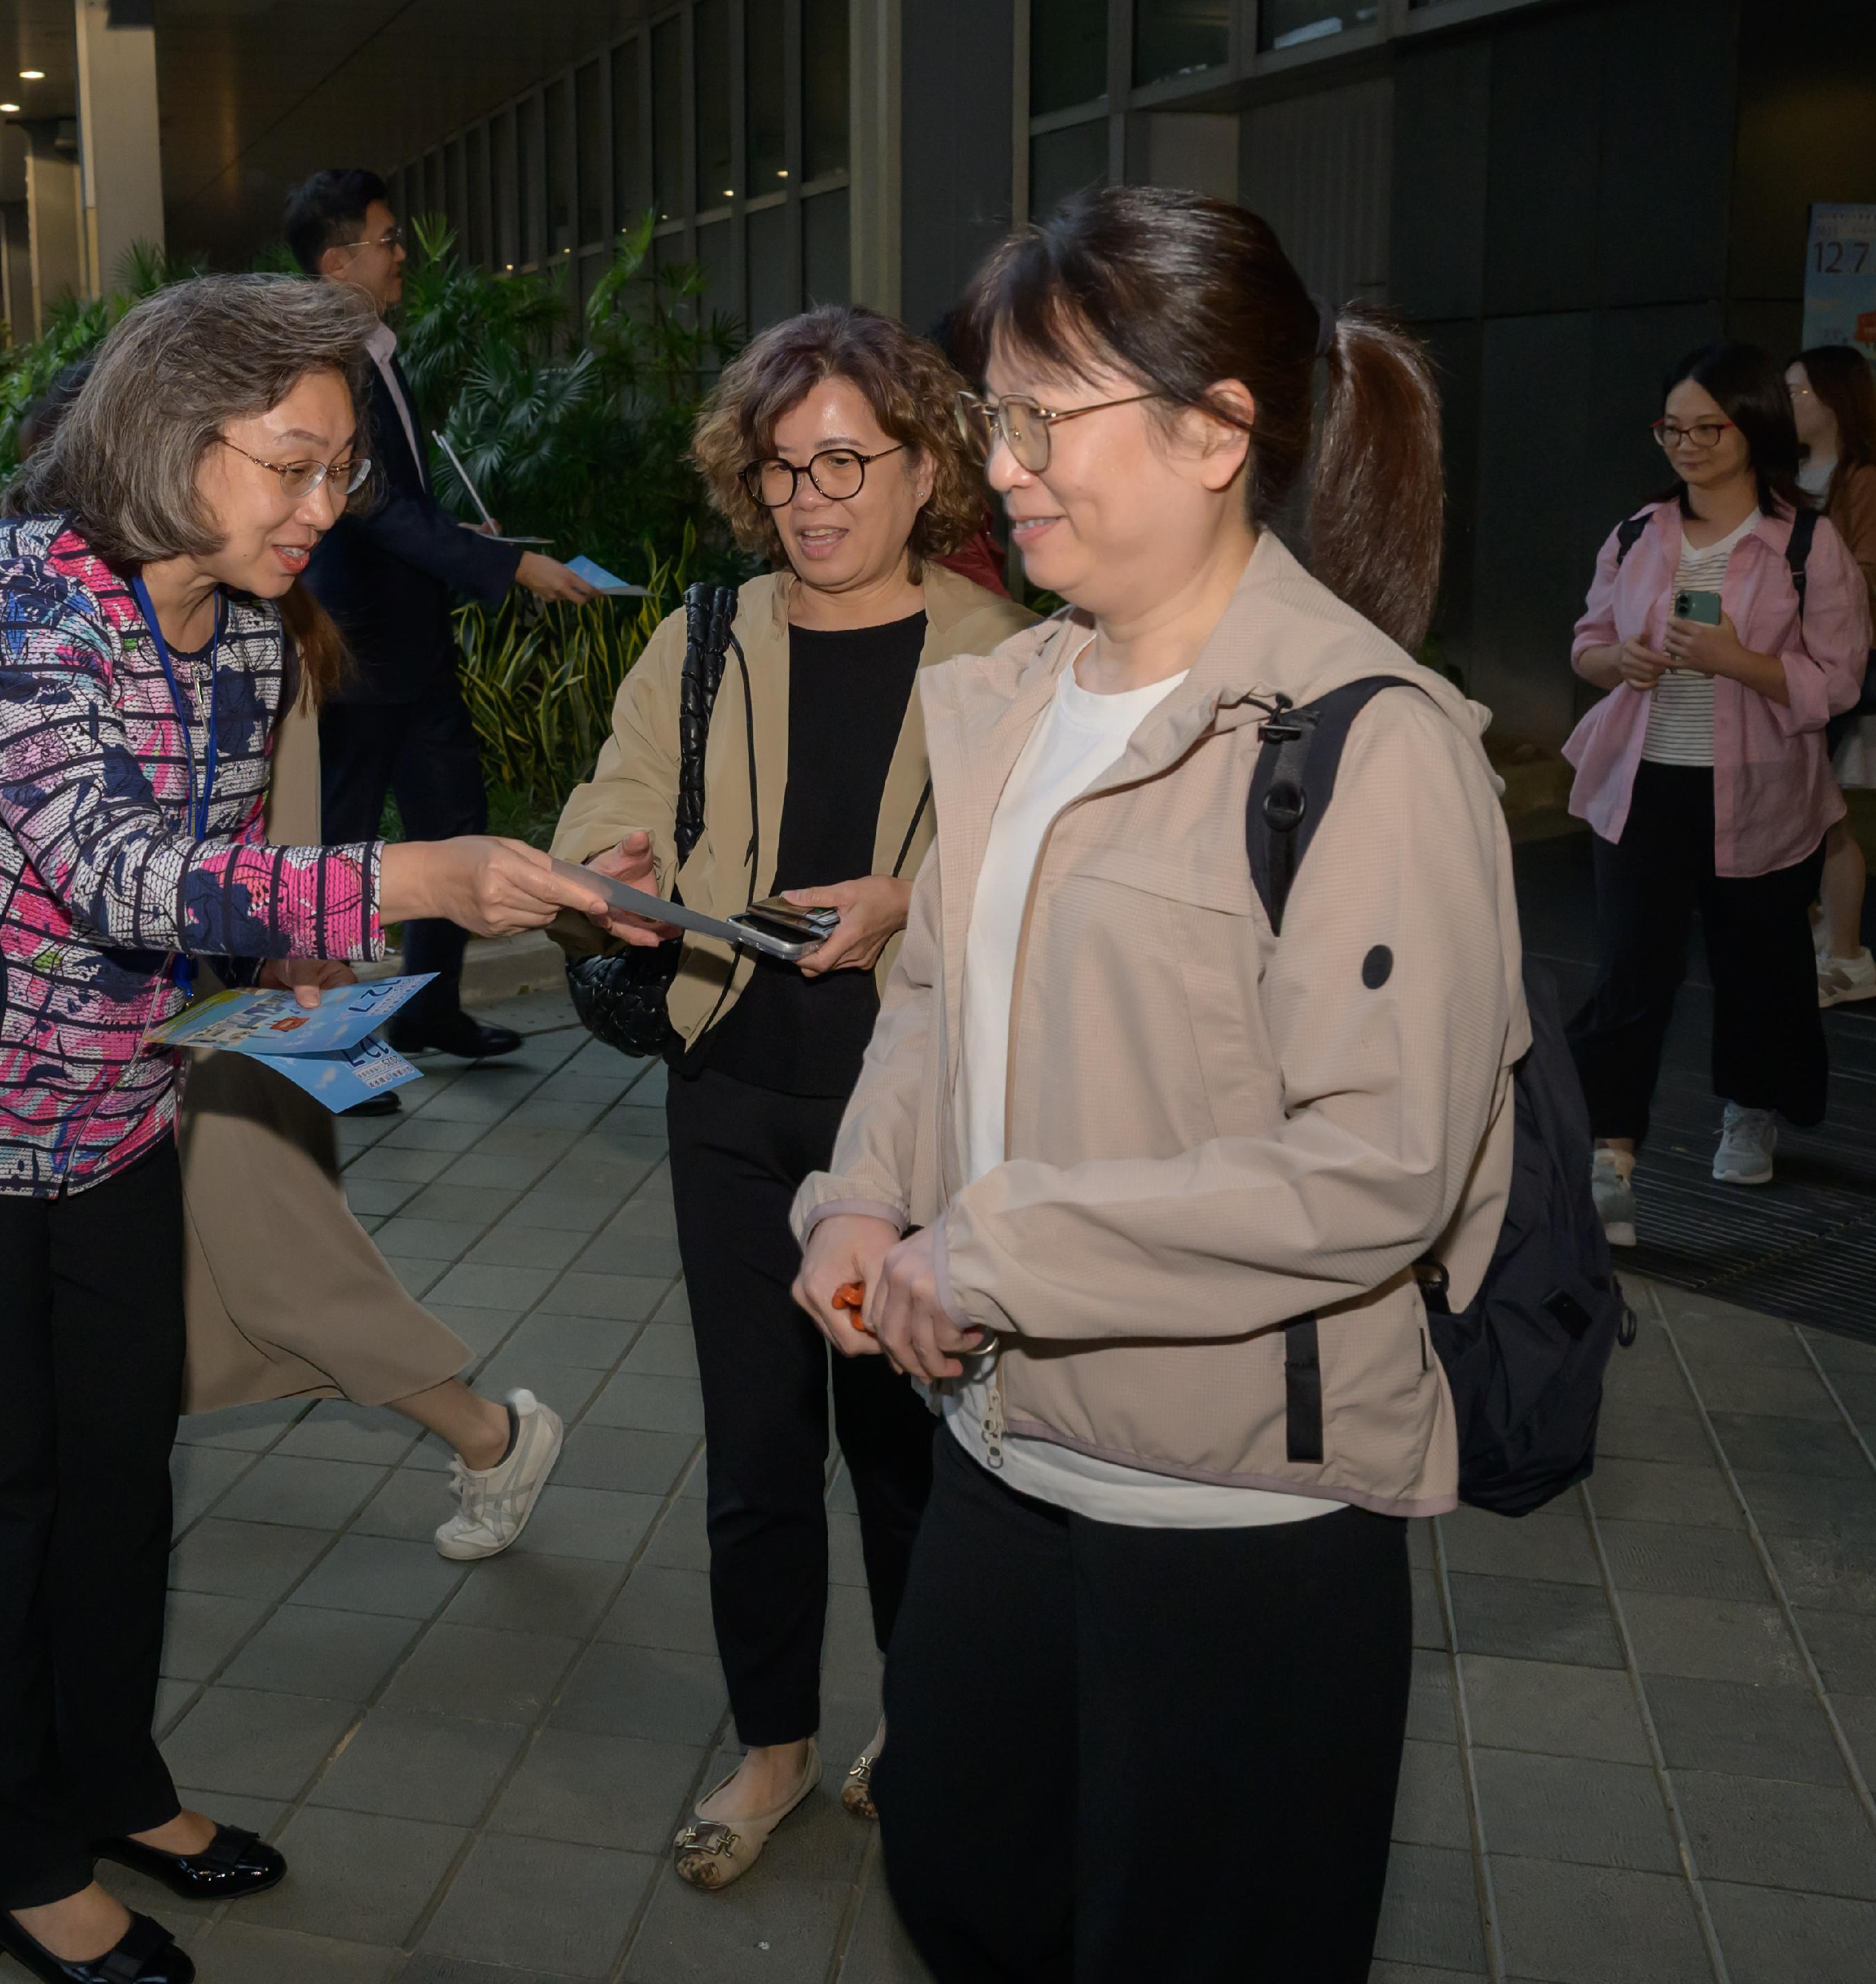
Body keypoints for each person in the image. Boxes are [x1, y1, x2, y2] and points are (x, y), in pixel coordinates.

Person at [0, 274, 607, 1984]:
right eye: (292, 464)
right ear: (169, 435)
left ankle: (109, 1780)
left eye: (338, 472)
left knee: (115, 1466)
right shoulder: (15, 598)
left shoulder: (235, 620)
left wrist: (296, 946)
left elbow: (211, 870)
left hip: (107, 1101)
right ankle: (15, 1869)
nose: (324, 507)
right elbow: (112, 868)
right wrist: (414, 875)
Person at [789, 186, 1525, 1982]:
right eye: (996, 414)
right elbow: (935, 992)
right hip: (998, 1451)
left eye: (1047, 417)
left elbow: (1380, 1165)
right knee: (964, 1885)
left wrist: (997, 1250)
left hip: (1232, 1518)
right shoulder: (1016, 699)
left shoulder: (1367, 743)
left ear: (1214, 432)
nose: (1002, 465)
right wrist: (865, 1194)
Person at [551, 304, 1033, 1890]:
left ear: (923, 468)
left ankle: (918, 1718)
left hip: (911, 1119)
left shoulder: (1007, 654)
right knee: (755, 1455)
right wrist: (605, 869)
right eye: (780, 466)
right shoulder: (703, 641)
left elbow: (1040, 881)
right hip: (731, 1098)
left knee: (904, 1452)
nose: (809, 497)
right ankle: (772, 1743)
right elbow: (606, 806)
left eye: (844, 462)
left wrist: (907, 903)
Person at [14, 353, 569, 1561]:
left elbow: (275, 869)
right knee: (202, 1291)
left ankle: (490, 1436)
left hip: (220, 1034)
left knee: (278, 1276)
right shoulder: (73, 630)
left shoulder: (252, 646)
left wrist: (306, 967)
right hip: (137, 1046)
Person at [287, 166, 601, 1078]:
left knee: (453, 814)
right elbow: (370, 504)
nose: (402, 256)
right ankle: (333, 1049)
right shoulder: (328, 362)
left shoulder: (376, 349)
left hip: (415, 642)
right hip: (355, 646)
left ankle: (428, 1011)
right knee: (338, 850)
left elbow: (402, 503)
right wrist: (510, 566)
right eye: (388, 240)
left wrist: (465, 540)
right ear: (338, 260)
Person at [1566, 342, 1870, 1247]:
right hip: (1640, 787)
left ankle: (1751, 1108)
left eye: (1710, 428)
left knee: (1759, 969)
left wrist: (1740, 661)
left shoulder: (1807, 543)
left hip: (1765, 793)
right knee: (1630, 975)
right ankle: (1609, 1161)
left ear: (1752, 428)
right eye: (1674, 429)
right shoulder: (1638, 533)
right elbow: (1586, 642)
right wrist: (1618, 660)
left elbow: (1839, 681)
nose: (1689, 445)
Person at [1789, 342, 1876, 1007]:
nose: (1787, 403)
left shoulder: (1866, 481)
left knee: (1826, 816)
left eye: (1798, 391)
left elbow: (1874, 577)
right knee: (1800, 810)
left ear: (1836, 400)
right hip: (1788, 666)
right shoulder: (1789, 473)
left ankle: (1848, 959)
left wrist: (1797, 580)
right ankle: (1822, 940)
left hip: (1837, 667)